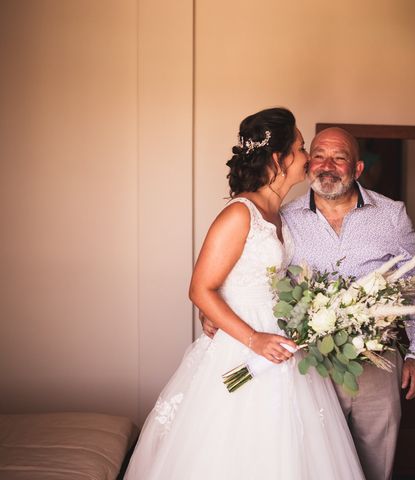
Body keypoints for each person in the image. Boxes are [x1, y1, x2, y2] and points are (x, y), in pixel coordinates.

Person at [125, 109, 365, 479]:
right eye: (301, 148)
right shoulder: (240, 213)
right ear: (278, 158)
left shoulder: (282, 215)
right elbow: (200, 287)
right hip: (243, 344)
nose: (307, 157)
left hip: (282, 343)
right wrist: (252, 338)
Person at [281, 127, 415, 480]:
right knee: (314, 462)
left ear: (359, 168)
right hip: (310, 363)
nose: (327, 165)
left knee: (375, 462)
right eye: (318, 155)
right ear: (307, 165)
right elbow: (264, 278)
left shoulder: (391, 214)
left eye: (340, 157)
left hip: (377, 362)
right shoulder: (285, 219)